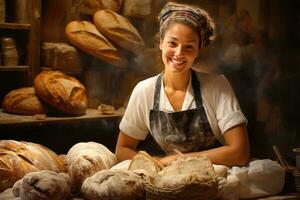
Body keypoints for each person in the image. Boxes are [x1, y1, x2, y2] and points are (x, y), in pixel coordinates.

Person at [115, 2, 250, 167]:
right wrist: (156, 164)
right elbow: (122, 150)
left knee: (268, 172)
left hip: (218, 176)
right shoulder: (145, 91)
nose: (179, 53)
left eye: (189, 47)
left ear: (199, 50)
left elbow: (240, 153)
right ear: (161, 43)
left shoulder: (217, 86)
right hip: (172, 176)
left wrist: (177, 159)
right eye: (172, 43)